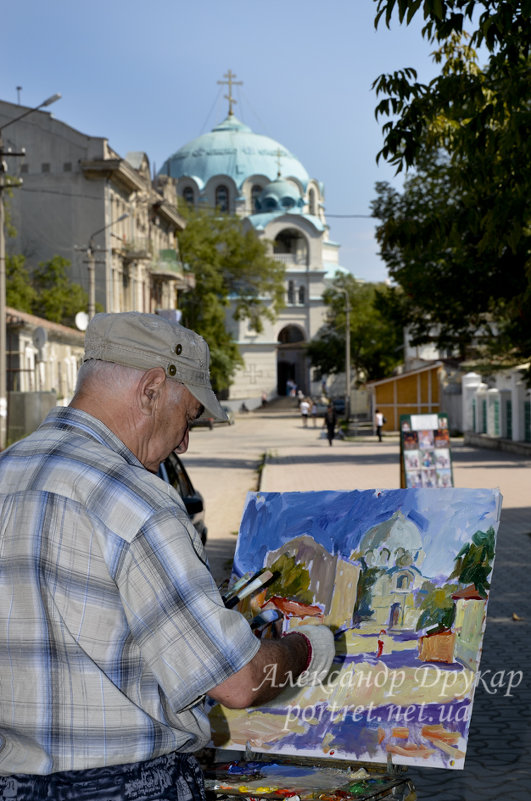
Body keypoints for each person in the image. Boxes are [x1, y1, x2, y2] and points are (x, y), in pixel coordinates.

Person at [0, 312, 335, 801]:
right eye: (190, 418)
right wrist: (311, 648)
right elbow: (238, 682)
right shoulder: (137, 498)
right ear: (152, 388)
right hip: (126, 786)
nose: (182, 440)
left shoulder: (9, 470)